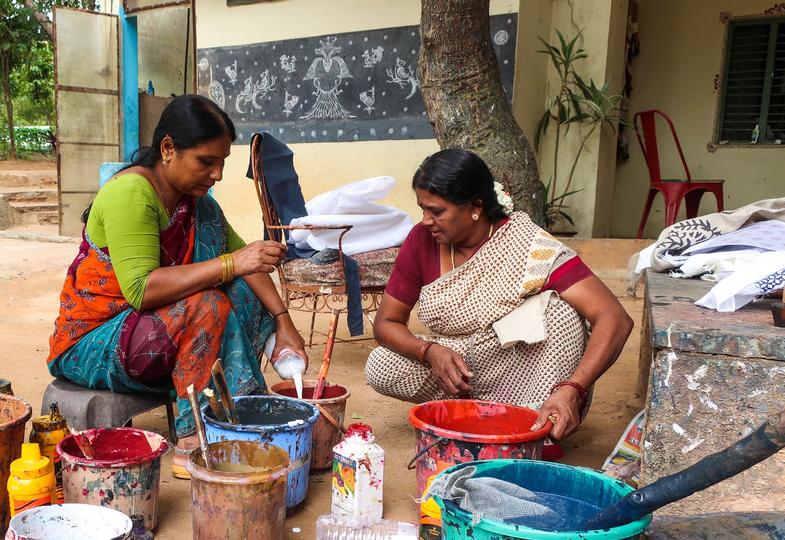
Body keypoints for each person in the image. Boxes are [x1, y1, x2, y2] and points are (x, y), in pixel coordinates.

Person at [47, 94, 307, 477]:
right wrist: (231, 263)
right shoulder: (130, 192)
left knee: (243, 293)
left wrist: (285, 324)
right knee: (208, 302)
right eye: (207, 161)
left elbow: (247, 264)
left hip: (153, 334)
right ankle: (193, 441)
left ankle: (233, 410)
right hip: (95, 339)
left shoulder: (198, 202)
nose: (217, 173)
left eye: (222, 163)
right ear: (168, 148)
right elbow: (142, 290)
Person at [364, 148, 633, 457]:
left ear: (475, 206)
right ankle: (482, 414)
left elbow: (614, 317)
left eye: (437, 211)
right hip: (456, 369)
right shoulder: (420, 240)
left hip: (519, 364)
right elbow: (386, 324)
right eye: (423, 209)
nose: (426, 221)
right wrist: (431, 352)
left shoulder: (527, 245)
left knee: (563, 313)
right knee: (382, 364)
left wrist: (572, 389)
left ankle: (533, 424)